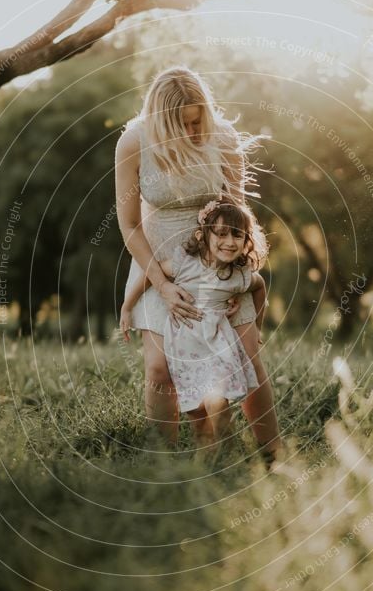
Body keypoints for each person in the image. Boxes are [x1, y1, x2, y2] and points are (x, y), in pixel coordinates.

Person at [114, 65, 284, 463]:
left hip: (219, 259)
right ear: (160, 120)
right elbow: (128, 223)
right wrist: (162, 283)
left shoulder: (222, 138)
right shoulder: (133, 142)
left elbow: (237, 209)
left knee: (247, 359)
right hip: (158, 260)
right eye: (183, 125)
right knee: (159, 370)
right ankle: (164, 466)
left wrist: (229, 274)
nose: (193, 132)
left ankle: (274, 457)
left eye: (197, 121)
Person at [120, 197, 270, 458]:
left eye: (237, 235)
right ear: (204, 235)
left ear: (246, 241)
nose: (229, 242)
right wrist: (126, 306)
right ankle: (207, 462)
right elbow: (148, 277)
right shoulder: (184, 263)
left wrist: (257, 324)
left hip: (217, 346)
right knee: (197, 416)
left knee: (217, 401)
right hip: (184, 351)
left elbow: (260, 288)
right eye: (221, 234)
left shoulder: (239, 274)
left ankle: (228, 451)